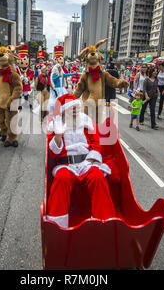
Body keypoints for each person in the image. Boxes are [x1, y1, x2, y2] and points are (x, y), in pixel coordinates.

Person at [46, 94, 116, 228]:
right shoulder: (56, 125)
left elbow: (96, 143)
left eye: (76, 107)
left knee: (98, 177)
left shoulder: (85, 121)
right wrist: (58, 135)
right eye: (70, 107)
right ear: (63, 110)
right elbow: (53, 153)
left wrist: (89, 161)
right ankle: (57, 226)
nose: (74, 110)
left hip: (86, 162)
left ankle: (105, 222)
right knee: (61, 179)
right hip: (66, 165)